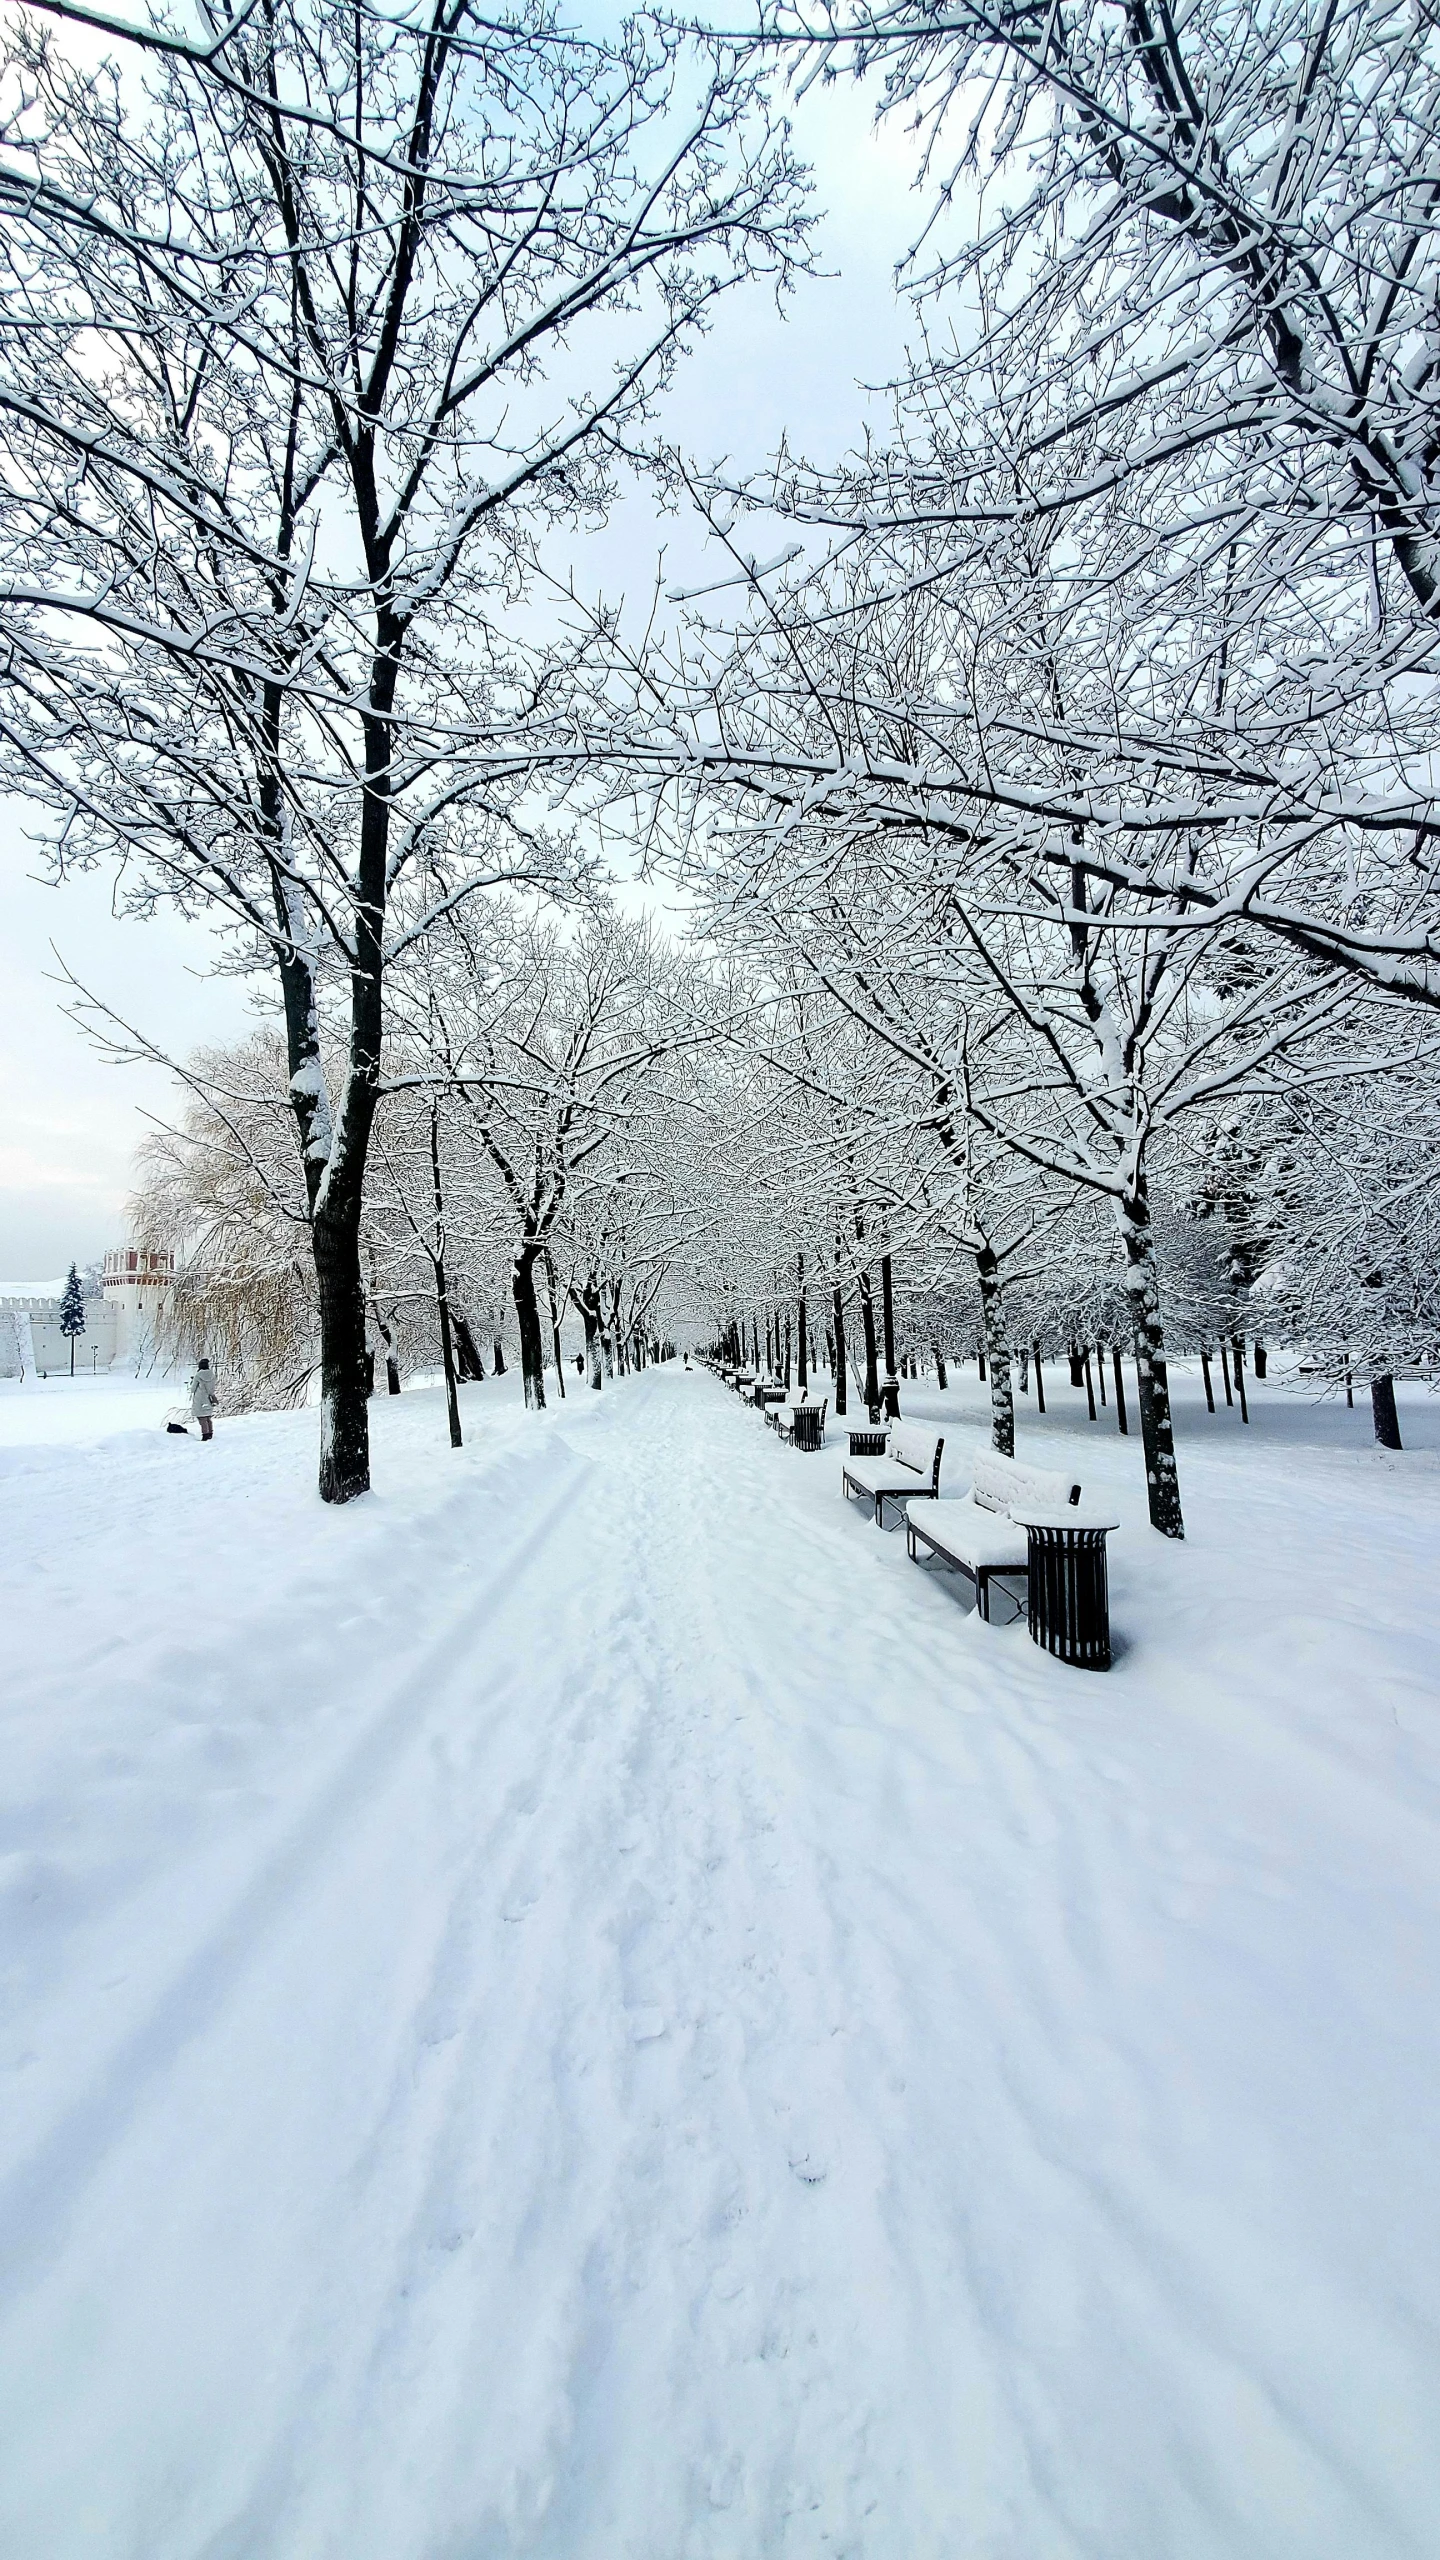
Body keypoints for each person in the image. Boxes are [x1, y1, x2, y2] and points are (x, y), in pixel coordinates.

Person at [191, 1358, 220, 1442]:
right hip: (209, 1398)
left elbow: (193, 1389)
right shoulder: (212, 1375)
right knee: (208, 1417)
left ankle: (205, 1435)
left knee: (201, 1417)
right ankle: (210, 1433)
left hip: (200, 1399)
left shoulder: (198, 1375)